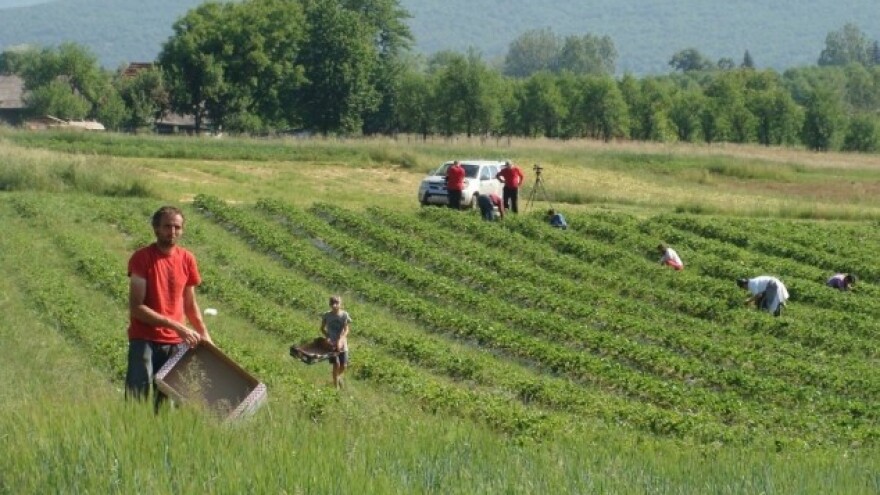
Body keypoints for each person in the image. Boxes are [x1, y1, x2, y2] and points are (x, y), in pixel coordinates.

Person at [126, 206, 211, 412]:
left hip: (174, 344)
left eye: (177, 227)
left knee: (166, 406)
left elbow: (190, 304)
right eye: (167, 226)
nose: (172, 232)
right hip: (144, 340)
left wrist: (204, 335)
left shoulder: (187, 259)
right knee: (138, 398)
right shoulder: (142, 258)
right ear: (156, 228)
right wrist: (178, 326)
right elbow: (137, 308)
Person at [321, 295, 352, 389]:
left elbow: (347, 329)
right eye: (332, 303)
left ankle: (337, 378)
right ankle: (336, 387)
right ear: (330, 304)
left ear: (340, 304)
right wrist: (328, 337)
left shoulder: (344, 315)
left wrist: (342, 338)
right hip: (332, 344)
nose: (334, 305)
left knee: (344, 365)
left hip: (342, 343)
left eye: (336, 303)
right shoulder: (327, 315)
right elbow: (322, 328)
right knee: (336, 364)